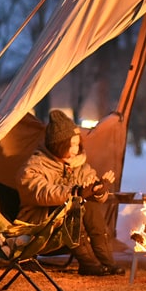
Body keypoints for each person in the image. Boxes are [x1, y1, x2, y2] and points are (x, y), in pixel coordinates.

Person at [16, 109, 125, 276]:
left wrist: (98, 190)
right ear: (57, 145)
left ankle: (107, 262)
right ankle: (89, 263)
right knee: (71, 207)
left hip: (66, 226)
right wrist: (77, 191)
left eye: (77, 143)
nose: (76, 149)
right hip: (40, 227)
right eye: (71, 144)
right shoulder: (34, 167)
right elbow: (43, 193)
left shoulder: (79, 165)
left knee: (91, 206)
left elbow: (90, 187)